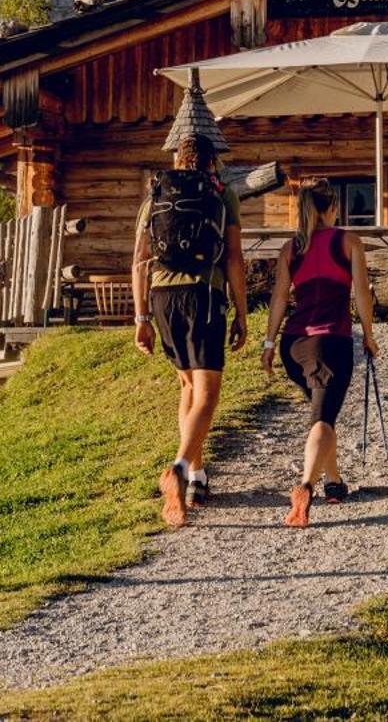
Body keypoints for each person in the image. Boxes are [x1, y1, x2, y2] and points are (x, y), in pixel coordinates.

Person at [132, 82, 249, 528]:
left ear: (177, 159)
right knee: (209, 391)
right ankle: (179, 468)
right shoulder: (222, 193)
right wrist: (240, 311)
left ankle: (198, 476)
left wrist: (140, 318)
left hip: (161, 298)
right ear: (213, 158)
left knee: (186, 388)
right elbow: (235, 257)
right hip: (204, 295)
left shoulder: (156, 195)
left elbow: (138, 260)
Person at [262, 178, 379, 528]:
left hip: (293, 345)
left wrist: (269, 344)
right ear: (333, 208)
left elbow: (280, 298)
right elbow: (361, 295)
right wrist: (369, 336)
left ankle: (334, 482)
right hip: (330, 342)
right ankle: (305, 486)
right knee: (322, 420)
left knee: (321, 411)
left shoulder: (291, 248)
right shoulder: (348, 241)